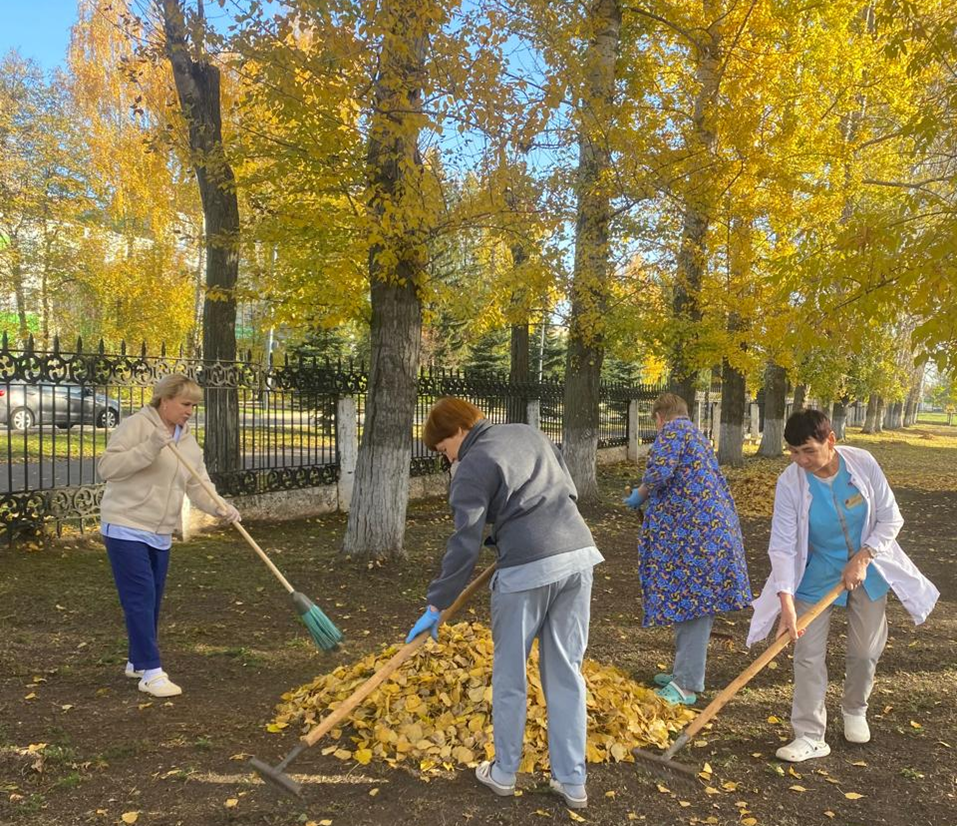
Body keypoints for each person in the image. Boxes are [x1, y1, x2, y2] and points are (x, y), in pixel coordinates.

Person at [406, 397, 602, 809]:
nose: (448, 460)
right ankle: (572, 782)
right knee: (567, 673)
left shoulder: (474, 463)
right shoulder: (527, 433)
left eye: (445, 450)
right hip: (579, 556)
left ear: (458, 430)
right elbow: (567, 489)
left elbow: (464, 543)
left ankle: (505, 773)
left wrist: (436, 605)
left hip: (526, 573)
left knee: (510, 674)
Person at [747, 409, 939, 762]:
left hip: (868, 568)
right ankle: (809, 735)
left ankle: (854, 708)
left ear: (830, 440)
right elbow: (783, 545)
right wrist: (786, 602)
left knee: (864, 651)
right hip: (816, 572)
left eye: (808, 450)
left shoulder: (861, 464)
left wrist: (864, 557)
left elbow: (890, 516)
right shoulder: (790, 482)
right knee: (807, 655)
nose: (800, 460)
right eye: (793, 452)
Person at [97, 374, 240, 698]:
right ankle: (151, 672)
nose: (190, 411)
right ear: (165, 400)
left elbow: (198, 484)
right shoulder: (137, 426)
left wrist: (221, 507)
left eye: (194, 406)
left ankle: (136, 660)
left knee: (152, 600)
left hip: (160, 531)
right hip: (125, 524)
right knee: (140, 597)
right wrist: (150, 447)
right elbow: (108, 468)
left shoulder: (187, 441)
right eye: (186, 404)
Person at [625, 392, 751, 706]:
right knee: (692, 605)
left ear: (659, 417)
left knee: (692, 606)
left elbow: (659, 472)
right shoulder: (695, 434)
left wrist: (639, 495)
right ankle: (684, 671)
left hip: (694, 540)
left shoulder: (672, 432)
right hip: (707, 535)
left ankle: (686, 685)